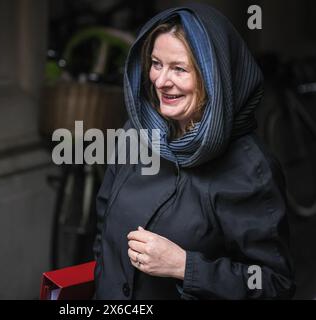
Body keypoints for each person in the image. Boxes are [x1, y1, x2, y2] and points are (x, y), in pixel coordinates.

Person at [92, 3, 295, 300]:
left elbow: (275, 284)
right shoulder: (136, 133)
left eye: (179, 69)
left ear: (216, 79)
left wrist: (185, 267)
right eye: (156, 63)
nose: (161, 81)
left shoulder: (251, 169)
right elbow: (103, 230)